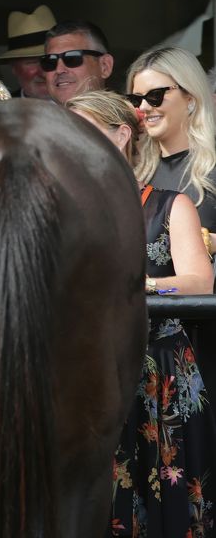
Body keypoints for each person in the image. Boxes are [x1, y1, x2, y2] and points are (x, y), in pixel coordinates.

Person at [68, 89, 216, 536]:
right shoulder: (64, 208)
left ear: (120, 136)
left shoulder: (170, 204)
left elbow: (199, 282)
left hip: (159, 368)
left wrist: (138, 284)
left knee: (167, 502)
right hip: (88, 368)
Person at [126, 46, 216, 250]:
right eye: (136, 99)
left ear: (190, 98)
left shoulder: (213, 166)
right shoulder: (135, 173)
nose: (144, 107)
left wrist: (207, 241)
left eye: (155, 95)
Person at [0, 5, 57, 99]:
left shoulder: (82, 109)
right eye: (32, 62)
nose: (43, 73)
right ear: (14, 68)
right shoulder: (0, 111)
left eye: (51, 59)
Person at [42, 20, 114, 104]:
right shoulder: (34, 116)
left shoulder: (129, 115)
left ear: (105, 66)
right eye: (50, 61)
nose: (59, 70)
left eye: (72, 58)